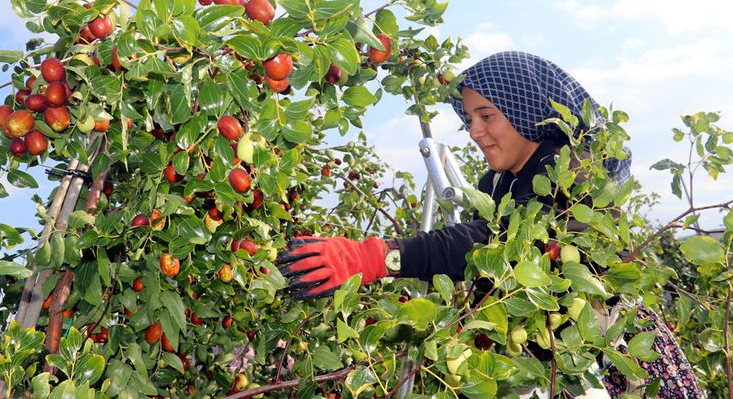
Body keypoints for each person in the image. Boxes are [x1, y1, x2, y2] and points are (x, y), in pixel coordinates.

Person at [277, 51, 703, 398]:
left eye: (487, 116)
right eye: (469, 120)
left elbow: (496, 244)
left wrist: (378, 256)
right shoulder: (496, 182)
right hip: (545, 359)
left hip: (611, 355)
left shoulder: (571, 170)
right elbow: (491, 272)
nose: (475, 131)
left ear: (524, 109)